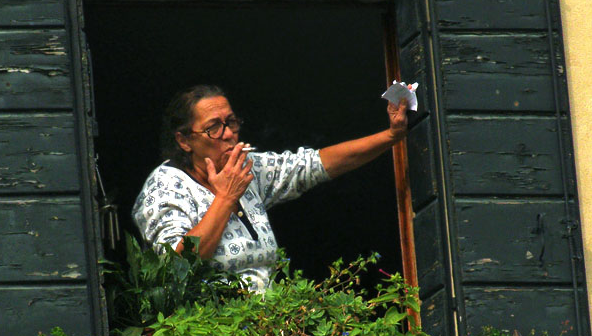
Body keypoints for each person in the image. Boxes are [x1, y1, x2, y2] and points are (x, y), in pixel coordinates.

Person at [133, 84, 410, 293]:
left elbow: (314, 164)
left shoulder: (247, 168)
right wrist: (226, 197)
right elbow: (176, 268)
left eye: (231, 123)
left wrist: (391, 136)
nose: (228, 134)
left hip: (265, 326)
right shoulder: (166, 186)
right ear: (184, 141)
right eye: (213, 128)